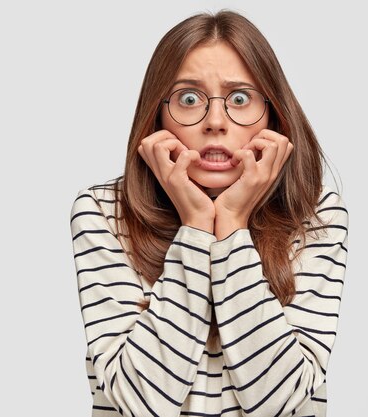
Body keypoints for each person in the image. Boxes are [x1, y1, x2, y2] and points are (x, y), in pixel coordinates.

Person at [69, 10, 348, 417]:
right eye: (188, 98)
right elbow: (140, 403)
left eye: (239, 99)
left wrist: (231, 223)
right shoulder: (103, 213)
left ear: (273, 116)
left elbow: (281, 402)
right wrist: (197, 227)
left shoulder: (316, 215)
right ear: (157, 114)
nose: (215, 122)